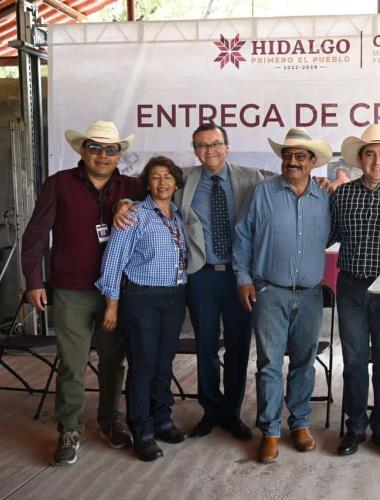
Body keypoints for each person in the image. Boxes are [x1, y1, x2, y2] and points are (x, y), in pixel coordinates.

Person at [116, 124, 265, 440]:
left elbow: (284, 185)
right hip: (201, 277)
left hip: (240, 277)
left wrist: (323, 180)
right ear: (195, 149)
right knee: (206, 347)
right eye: (202, 145)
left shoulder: (251, 178)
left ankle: (231, 412)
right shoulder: (184, 180)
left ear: (227, 146)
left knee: (238, 347)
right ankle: (210, 410)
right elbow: (149, 193)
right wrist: (122, 204)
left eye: (215, 144)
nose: (209, 151)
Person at [21, 120, 142, 465]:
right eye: (95, 148)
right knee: (72, 365)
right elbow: (35, 235)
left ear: (119, 153)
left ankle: (109, 419)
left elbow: (165, 199)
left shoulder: (132, 185)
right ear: (82, 150)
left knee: (112, 362)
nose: (103, 156)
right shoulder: (59, 184)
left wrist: (130, 201)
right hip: (71, 290)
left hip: (116, 293)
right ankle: (70, 427)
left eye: (111, 149)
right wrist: (33, 280)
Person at [234, 127, 332, 463]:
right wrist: (244, 278)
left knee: (304, 363)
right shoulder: (262, 192)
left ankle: (300, 424)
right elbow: (243, 235)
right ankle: (271, 430)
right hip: (269, 292)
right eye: (287, 155)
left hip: (309, 295)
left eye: (300, 156)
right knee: (269, 365)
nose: (292, 161)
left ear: (312, 162)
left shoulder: (325, 198)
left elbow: (331, 238)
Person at [96, 156, 189, 462]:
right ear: (147, 183)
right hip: (141, 298)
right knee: (144, 365)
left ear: (176, 182)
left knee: (163, 363)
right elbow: (113, 260)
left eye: (168, 177)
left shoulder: (176, 215)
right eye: (156, 177)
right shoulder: (134, 215)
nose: (163, 183)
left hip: (174, 296)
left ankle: (162, 419)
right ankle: (142, 429)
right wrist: (112, 304)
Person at [330, 124, 380, 458]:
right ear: (360, 159)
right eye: (370, 154)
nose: (376, 160)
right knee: (353, 361)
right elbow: (329, 234)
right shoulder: (343, 195)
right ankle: (354, 428)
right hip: (350, 286)